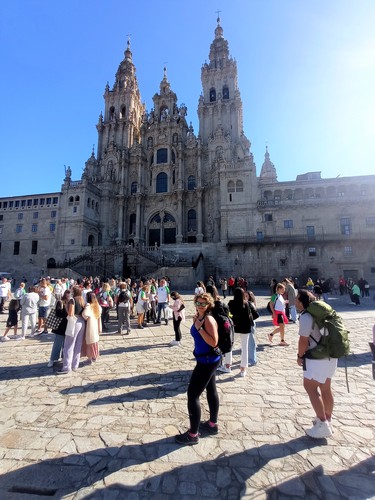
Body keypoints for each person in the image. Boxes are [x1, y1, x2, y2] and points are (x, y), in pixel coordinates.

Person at [175, 292, 220, 445]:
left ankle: (193, 435)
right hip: (206, 359)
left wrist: (200, 328)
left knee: (192, 395)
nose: (200, 306)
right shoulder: (199, 317)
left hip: (207, 361)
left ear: (209, 305)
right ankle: (212, 425)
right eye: (198, 303)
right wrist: (197, 324)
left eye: (203, 304)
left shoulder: (209, 319)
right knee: (211, 389)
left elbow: (214, 342)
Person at [296, 290, 337, 438]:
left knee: (310, 387)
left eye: (296, 299)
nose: (295, 302)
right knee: (325, 388)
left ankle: (322, 424)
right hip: (331, 354)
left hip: (317, 356)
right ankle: (327, 419)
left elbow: (303, 340)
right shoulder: (322, 312)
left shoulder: (306, 316)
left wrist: (300, 356)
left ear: (302, 302)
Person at [219, 287, 253, 377]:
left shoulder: (231, 303)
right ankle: (243, 369)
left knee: (229, 346)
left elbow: (228, 315)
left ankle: (227, 366)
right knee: (244, 348)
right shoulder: (247, 304)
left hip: (235, 328)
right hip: (246, 328)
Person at [57, 286, 86, 375]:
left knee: (68, 345)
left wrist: (66, 307)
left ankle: (66, 367)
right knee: (78, 345)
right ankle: (75, 365)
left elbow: (70, 313)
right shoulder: (82, 300)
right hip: (82, 322)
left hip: (74, 322)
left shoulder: (72, 300)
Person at [47, 289, 70, 367]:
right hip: (60, 326)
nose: (69, 295)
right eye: (67, 294)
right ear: (65, 294)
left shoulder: (71, 302)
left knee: (66, 344)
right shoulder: (61, 302)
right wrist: (67, 313)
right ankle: (52, 359)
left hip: (68, 325)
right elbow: (58, 313)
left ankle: (64, 357)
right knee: (57, 344)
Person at [82, 292, 102, 363]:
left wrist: (86, 318)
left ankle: (90, 358)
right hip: (96, 325)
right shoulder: (97, 305)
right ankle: (94, 357)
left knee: (90, 343)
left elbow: (85, 314)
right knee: (95, 342)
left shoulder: (88, 305)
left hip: (90, 326)